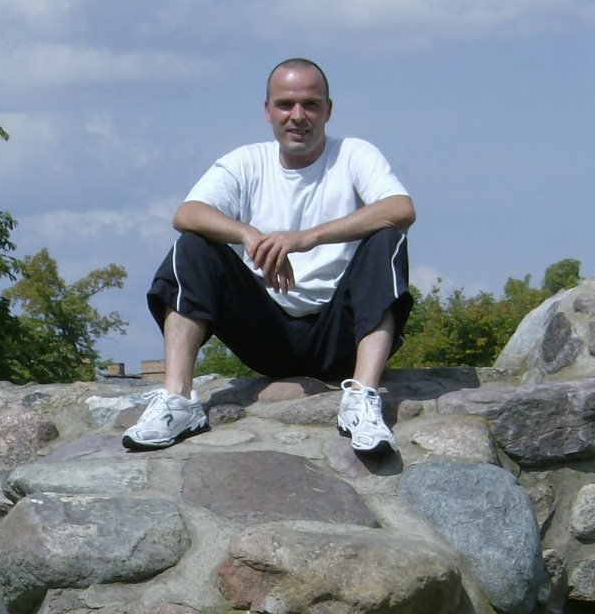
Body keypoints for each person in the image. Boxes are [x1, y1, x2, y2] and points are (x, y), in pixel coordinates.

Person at [123, 57, 415, 454]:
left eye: (310, 104)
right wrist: (249, 235)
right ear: (268, 111)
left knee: (388, 239)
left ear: (328, 110)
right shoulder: (246, 162)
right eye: (285, 105)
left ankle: (362, 398)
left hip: (339, 334)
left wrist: (306, 238)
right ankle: (178, 400)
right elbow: (186, 213)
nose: (298, 116)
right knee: (193, 245)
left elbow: (400, 208)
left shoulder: (354, 154)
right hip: (267, 332)